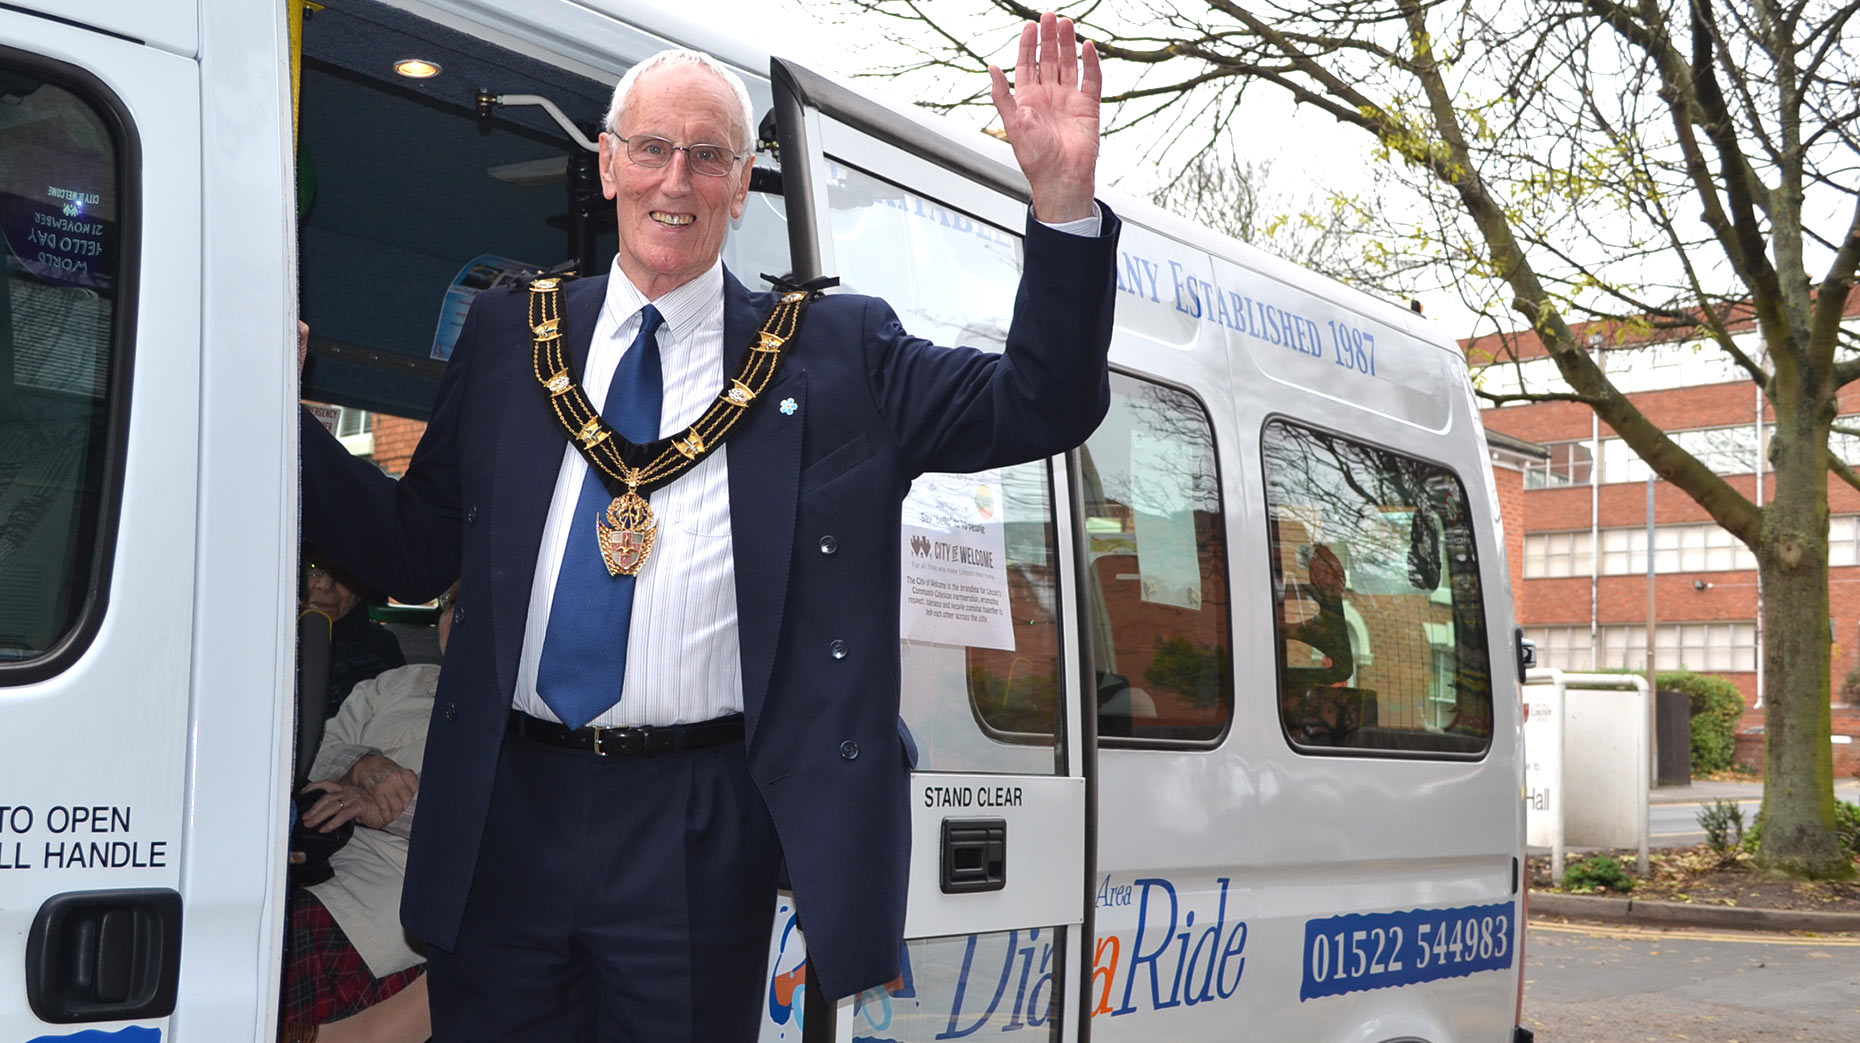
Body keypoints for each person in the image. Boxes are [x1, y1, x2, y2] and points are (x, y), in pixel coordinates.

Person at [299, 12, 1115, 1039]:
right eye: (651, 148)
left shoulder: (835, 351)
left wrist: (1062, 200)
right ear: (608, 165)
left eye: (706, 157)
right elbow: (409, 548)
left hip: (695, 823)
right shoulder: (516, 334)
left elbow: (1041, 401)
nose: (674, 181)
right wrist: (280, 419)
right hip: (505, 807)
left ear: (741, 186)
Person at [279, 586, 456, 1041]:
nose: (462, 619)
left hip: (390, 896)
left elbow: (498, 836)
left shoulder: (524, 722)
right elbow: (313, 753)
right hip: (313, 859)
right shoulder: (397, 682)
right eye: (456, 605)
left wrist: (390, 810)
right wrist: (362, 766)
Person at [304, 550, 405, 717]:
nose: (325, 586)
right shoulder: (269, 638)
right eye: (314, 568)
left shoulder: (378, 650)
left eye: (344, 572)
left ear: (364, 587)